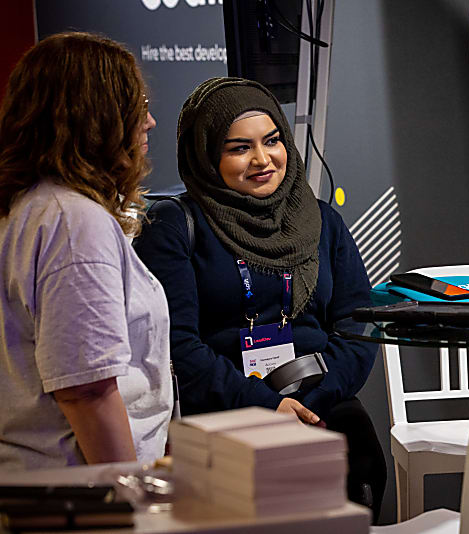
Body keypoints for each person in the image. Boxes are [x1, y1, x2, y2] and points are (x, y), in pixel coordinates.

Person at [133, 77, 386, 519]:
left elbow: (356, 323)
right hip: (223, 416)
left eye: (272, 141)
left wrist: (313, 402)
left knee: (356, 467)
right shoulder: (174, 227)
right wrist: (267, 406)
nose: (262, 160)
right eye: (238, 148)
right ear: (207, 155)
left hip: (321, 403)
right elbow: (178, 347)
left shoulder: (321, 221)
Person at [0, 32, 172, 469]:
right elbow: (86, 389)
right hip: (81, 497)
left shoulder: (29, 208)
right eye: (138, 106)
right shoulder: (74, 223)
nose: (149, 122)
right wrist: (127, 500)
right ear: (97, 116)